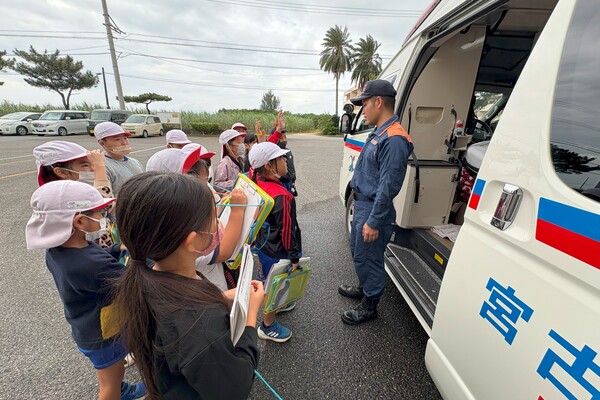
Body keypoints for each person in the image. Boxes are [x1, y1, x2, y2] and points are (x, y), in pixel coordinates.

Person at [112, 172, 263, 399]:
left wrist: (221, 297)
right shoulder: (201, 325)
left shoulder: (149, 276)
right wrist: (250, 317)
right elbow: (234, 389)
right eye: (213, 218)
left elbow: (178, 318)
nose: (218, 224)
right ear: (192, 241)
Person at [25, 180, 146, 400]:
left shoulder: (60, 248)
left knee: (111, 375)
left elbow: (97, 257)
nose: (104, 218)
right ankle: (116, 392)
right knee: (110, 382)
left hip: (86, 327)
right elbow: (132, 281)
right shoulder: (90, 264)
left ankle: (120, 390)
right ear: (80, 221)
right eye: (100, 213)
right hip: (103, 334)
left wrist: (116, 248)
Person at [338, 79, 414, 325]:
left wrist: (373, 221)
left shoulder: (394, 138)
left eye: (365, 104)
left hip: (373, 208)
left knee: (369, 257)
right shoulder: (380, 132)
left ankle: (370, 305)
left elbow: (388, 186)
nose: (363, 110)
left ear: (378, 102)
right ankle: (365, 287)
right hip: (363, 204)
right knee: (359, 252)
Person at [146, 148, 247, 291]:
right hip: (210, 292)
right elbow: (224, 251)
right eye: (201, 184)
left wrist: (220, 207)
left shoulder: (163, 220)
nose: (207, 189)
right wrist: (237, 212)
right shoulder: (181, 238)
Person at [249, 142, 303, 343]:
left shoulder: (256, 181)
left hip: (264, 246)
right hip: (278, 252)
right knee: (273, 287)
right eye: (281, 158)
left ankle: (278, 305)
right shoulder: (282, 196)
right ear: (269, 166)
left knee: (268, 280)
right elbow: (287, 231)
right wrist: (294, 257)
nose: (286, 161)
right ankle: (267, 326)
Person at [33, 140, 115, 247]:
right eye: (85, 165)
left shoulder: (75, 187)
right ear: (61, 172)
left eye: (92, 164)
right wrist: (100, 168)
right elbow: (106, 206)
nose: (93, 169)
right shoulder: (62, 196)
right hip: (93, 252)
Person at [94, 121, 144, 196]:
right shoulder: (103, 167)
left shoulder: (135, 162)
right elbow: (105, 196)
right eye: (117, 139)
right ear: (102, 143)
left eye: (125, 138)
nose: (124, 143)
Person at [276, 129, 297, 196]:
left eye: (285, 137)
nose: (284, 140)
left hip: (289, 182)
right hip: (282, 183)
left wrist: (293, 179)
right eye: (281, 138)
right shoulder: (275, 154)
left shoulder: (288, 151)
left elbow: (291, 166)